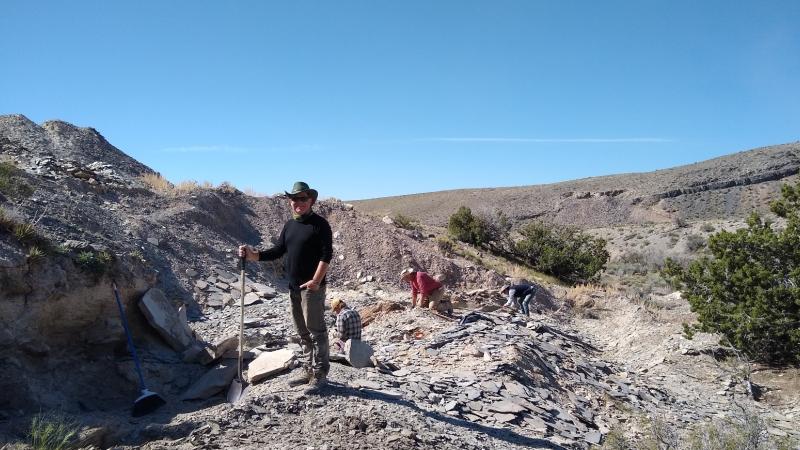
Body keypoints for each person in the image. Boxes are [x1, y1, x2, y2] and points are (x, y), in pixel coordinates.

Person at [239, 181, 333, 391]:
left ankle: (320, 373)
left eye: (302, 198)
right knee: (302, 332)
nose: (298, 202)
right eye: (294, 198)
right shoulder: (290, 225)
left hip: (312, 288)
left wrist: (316, 281)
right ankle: (308, 369)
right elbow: (278, 250)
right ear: (290, 201)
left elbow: (327, 255)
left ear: (311, 201)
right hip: (293, 287)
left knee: (316, 331)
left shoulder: (320, 224)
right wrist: (254, 256)